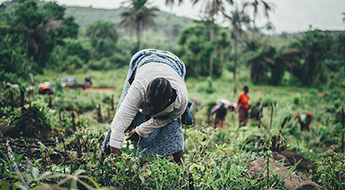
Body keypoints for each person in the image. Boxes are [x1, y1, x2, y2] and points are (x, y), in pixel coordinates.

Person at [102, 49, 192, 164]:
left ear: (169, 101)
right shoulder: (138, 89)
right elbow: (118, 127)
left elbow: (168, 119)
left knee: (172, 127)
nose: (152, 111)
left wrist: (140, 131)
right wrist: (116, 164)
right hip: (142, 59)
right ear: (145, 95)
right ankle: (106, 155)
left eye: (156, 108)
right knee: (122, 113)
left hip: (176, 63)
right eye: (149, 106)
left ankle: (181, 168)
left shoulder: (180, 100)